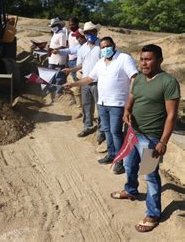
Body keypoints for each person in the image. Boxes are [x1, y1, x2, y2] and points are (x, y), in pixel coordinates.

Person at [111, 44, 180, 232]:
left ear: (160, 60)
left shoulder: (168, 82)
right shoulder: (139, 79)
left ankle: (153, 213)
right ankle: (131, 190)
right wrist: (126, 111)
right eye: (141, 59)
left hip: (151, 138)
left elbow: (171, 116)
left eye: (148, 59)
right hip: (133, 133)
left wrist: (163, 142)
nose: (144, 63)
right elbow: (131, 99)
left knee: (150, 175)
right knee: (128, 165)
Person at [65, 37, 138, 174]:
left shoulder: (124, 58)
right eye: (103, 47)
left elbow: (134, 77)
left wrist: (131, 98)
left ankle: (120, 160)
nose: (105, 49)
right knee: (107, 130)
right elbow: (90, 78)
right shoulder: (100, 63)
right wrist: (73, 84)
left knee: (116, 132)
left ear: (114, 45)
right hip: (103, 103)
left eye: (108, 46)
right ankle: (111, 155)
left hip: (118, 103)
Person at [63, 22, 105, 141]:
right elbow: (82, 64)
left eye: (92, 31)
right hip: (85, 80)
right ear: (84, 34)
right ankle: (88, 125)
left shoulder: (102, 45)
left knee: (100, 106)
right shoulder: (82, 48)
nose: (90, 34)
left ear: (96, 32)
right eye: (87, 32)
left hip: (99, 82)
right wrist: (72, 69)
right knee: (86, 105)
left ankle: (101, 130)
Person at [47, 17, 68, 98]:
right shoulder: (55, 34)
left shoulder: (62, 34)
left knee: (59, 76)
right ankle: (50, 90)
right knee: (50, 75)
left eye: (54, 25)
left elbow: (63, 46)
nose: (53, 27)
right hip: (52, 58)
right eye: (52, 26)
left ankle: (58, 92)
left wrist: (54, 49)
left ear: (59, 25)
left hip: (59, 58)